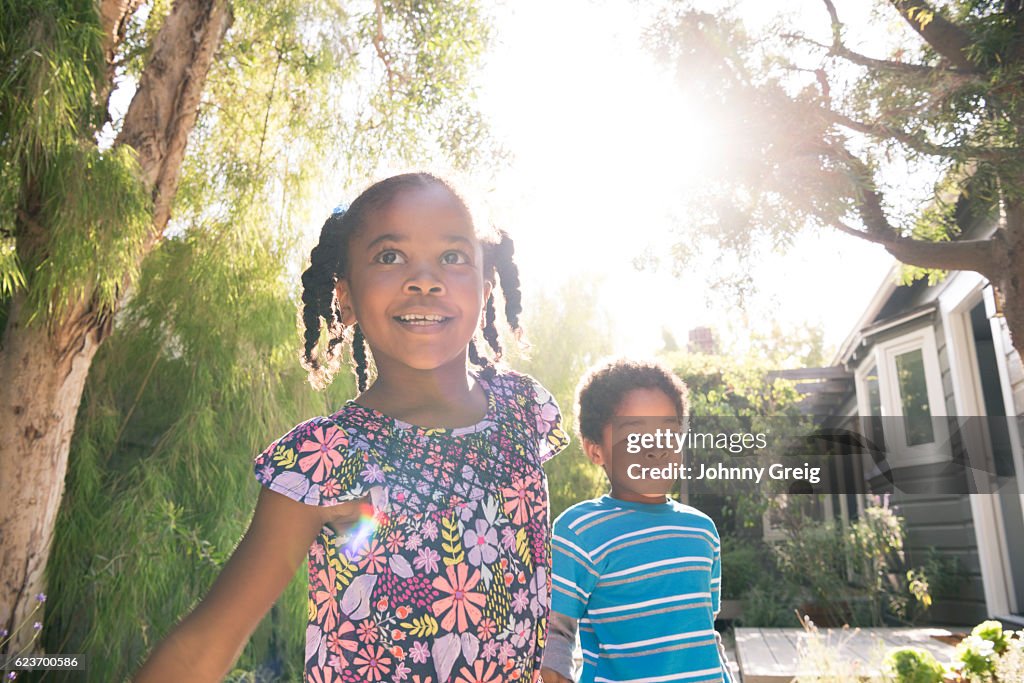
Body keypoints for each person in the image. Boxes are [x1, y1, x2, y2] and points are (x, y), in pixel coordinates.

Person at [135, 172, 570, 682]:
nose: (425, 279)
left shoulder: (524, 409)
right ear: (344, 296)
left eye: (453, 257)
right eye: (390, 256)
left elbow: (524, 576)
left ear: (485, 284)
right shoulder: (327, 458)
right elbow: (204, 646)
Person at [540, 358, 733, 683]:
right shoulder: (579, 531)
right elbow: (555, 633)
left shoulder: (703, 531)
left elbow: (704, 630)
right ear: (596, 450)